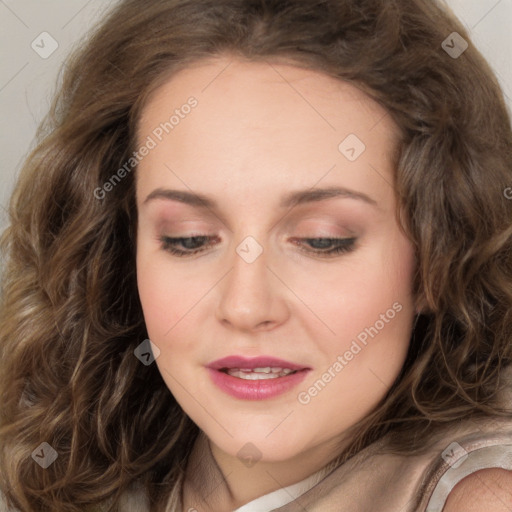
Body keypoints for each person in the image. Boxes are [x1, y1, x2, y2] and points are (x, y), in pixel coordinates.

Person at [1, 0, 511, 511]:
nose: (246, 307)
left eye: (321, 240)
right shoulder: (71, 460)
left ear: (437, 258)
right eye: (189, 239)